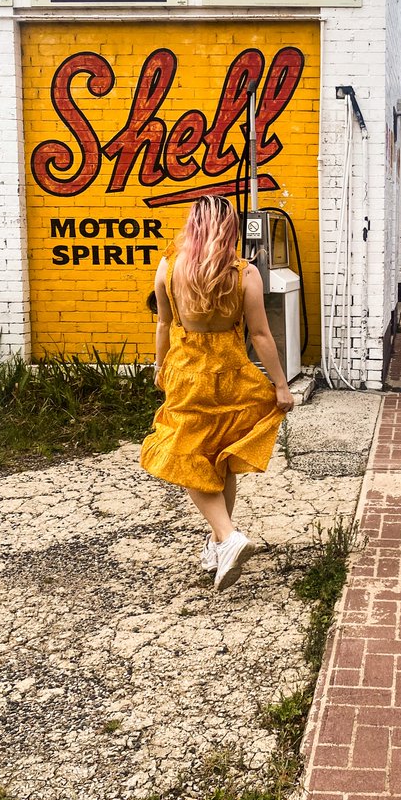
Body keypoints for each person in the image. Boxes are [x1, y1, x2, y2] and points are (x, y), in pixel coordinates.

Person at [141, 195, 294, 591]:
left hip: (188, 374)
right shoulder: (245, 274)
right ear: (230, 228)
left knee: (188, 456)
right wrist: (280, 384)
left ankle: (227, 537)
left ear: (193, 224)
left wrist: (159, 368)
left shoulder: (169, 267)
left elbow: (163, 325)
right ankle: (216, 544)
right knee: (219, 459)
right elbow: (260, 335)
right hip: (231, 376)